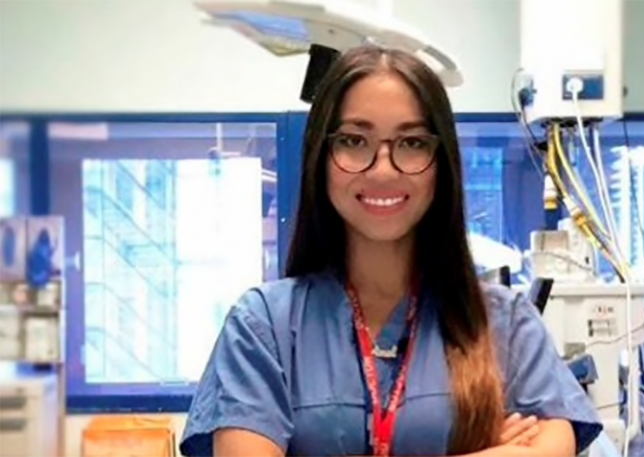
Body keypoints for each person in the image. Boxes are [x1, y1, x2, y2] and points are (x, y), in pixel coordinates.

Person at [179, 45, 603, 457]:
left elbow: (554, 447)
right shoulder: (264, 326)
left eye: (412, 143)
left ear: (442, 163)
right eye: (354, 140)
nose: (383, 169)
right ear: (321, 158)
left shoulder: (506, 322)